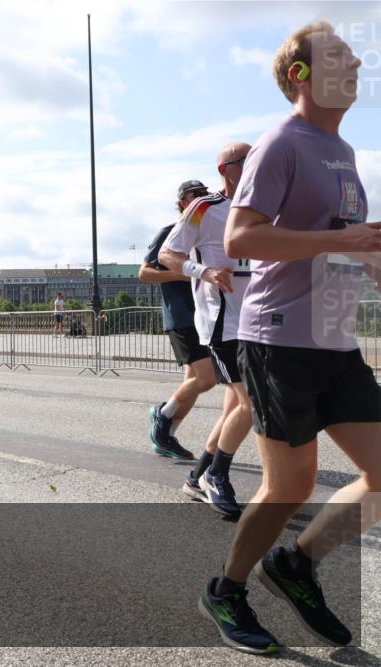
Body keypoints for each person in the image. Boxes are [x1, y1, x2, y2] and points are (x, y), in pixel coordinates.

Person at [199, 23, 380, 655]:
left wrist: (367, 252)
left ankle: (296, 564)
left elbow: (344, 242)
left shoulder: (344, 152)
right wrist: (341, 239)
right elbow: (240, 238)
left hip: (335, 340)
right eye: (338, 56)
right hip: (279, 340)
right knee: (289, 487)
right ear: (301, 75)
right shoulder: (280, 143)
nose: (356, 63)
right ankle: (226, 590)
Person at [160, 143, 253, 517]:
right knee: (252, 403)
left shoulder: (264, 209)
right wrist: (205, 272)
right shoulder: (203, 208)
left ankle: (197, 477)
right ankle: (217, 475)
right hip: (222, 323)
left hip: (257, 323)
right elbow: (168, 255)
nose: (255, 166)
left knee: (235, 408)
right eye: (246, 161)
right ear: (225, 169)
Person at [141, 181, 219, 461]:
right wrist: (183, 273)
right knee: (207, 378)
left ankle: (166, 437)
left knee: (193, 384)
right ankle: (162, 415)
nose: (203, 199)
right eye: (197, 195)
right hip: (181, 315)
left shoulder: (206, 233)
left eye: (206, 194)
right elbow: (144, 273)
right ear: (183, 202)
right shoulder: (170, 232)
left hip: (204, 315)